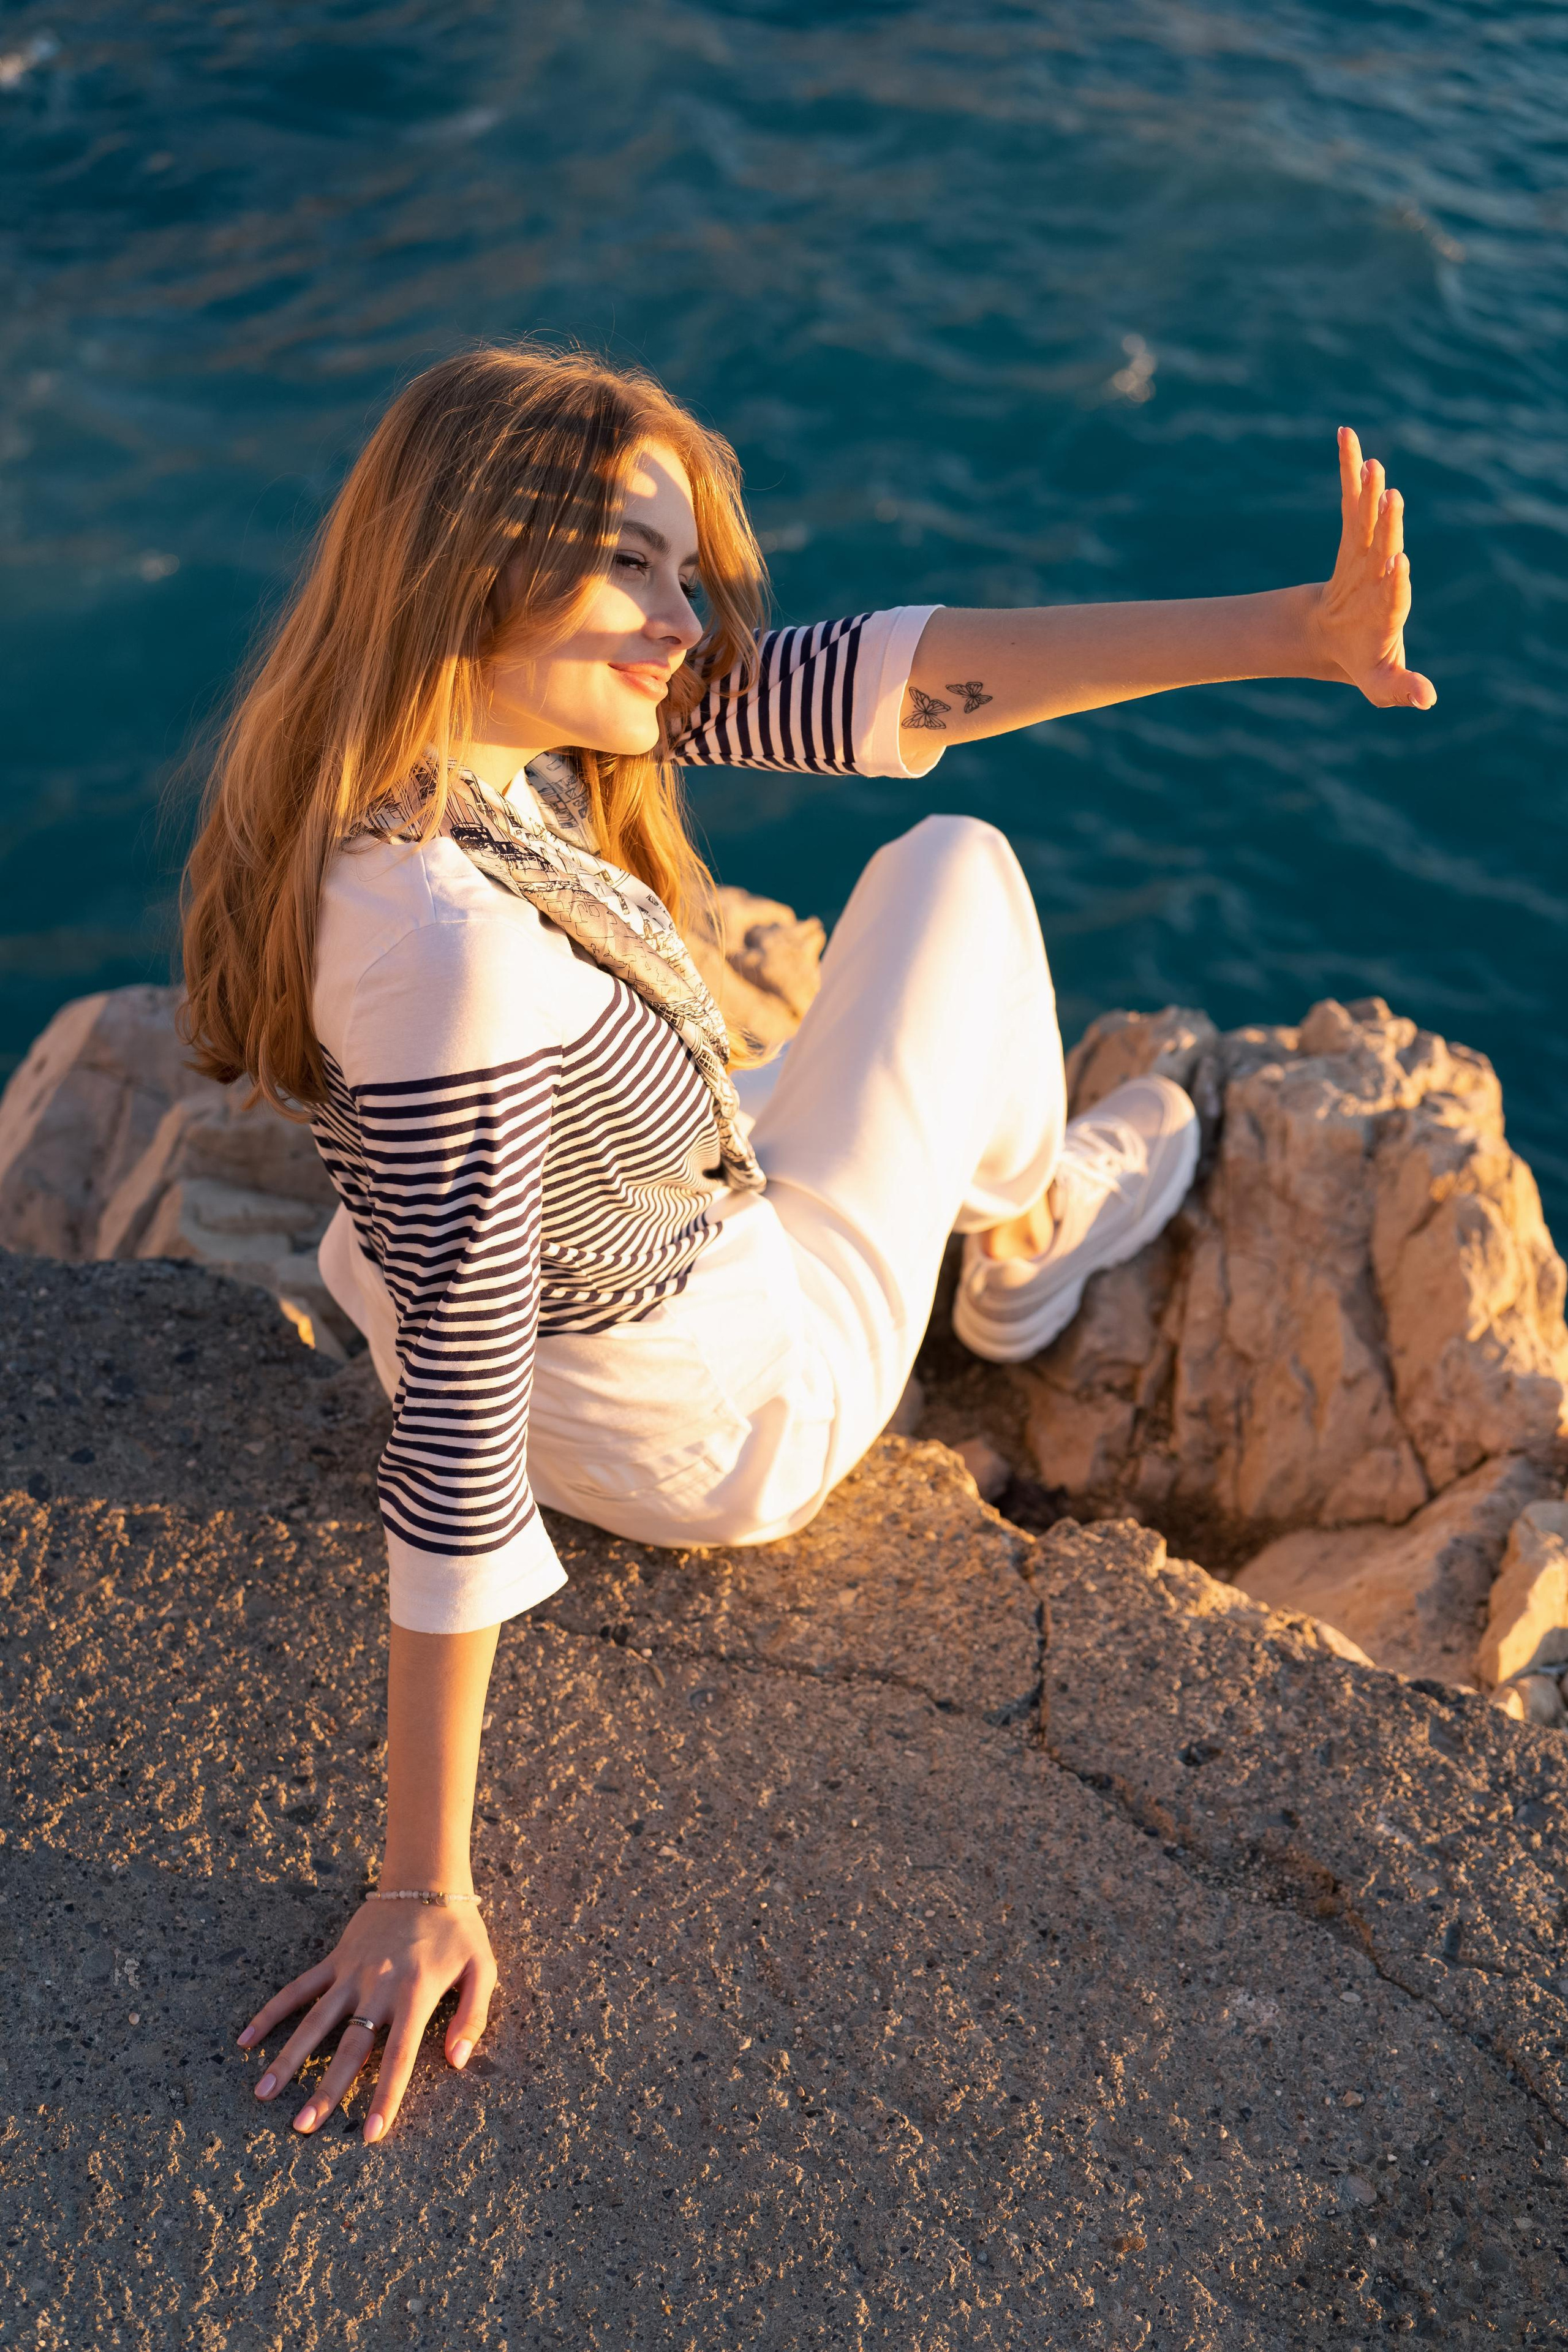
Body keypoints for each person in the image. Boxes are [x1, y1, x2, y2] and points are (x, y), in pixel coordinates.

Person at [179, 344, 1432, 2144]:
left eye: (687, 580)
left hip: (548, 1280)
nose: (687, 628)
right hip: (710, 1409)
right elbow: (454, 1430)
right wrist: (416, 1883)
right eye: (644, 571)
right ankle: (1027, 1239)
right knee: (957, 879)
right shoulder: (450, 953)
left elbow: (883, 678)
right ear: (481, 566)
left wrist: (1293, 628)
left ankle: (998, 1198)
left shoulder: (391, 751)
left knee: (915, 868)